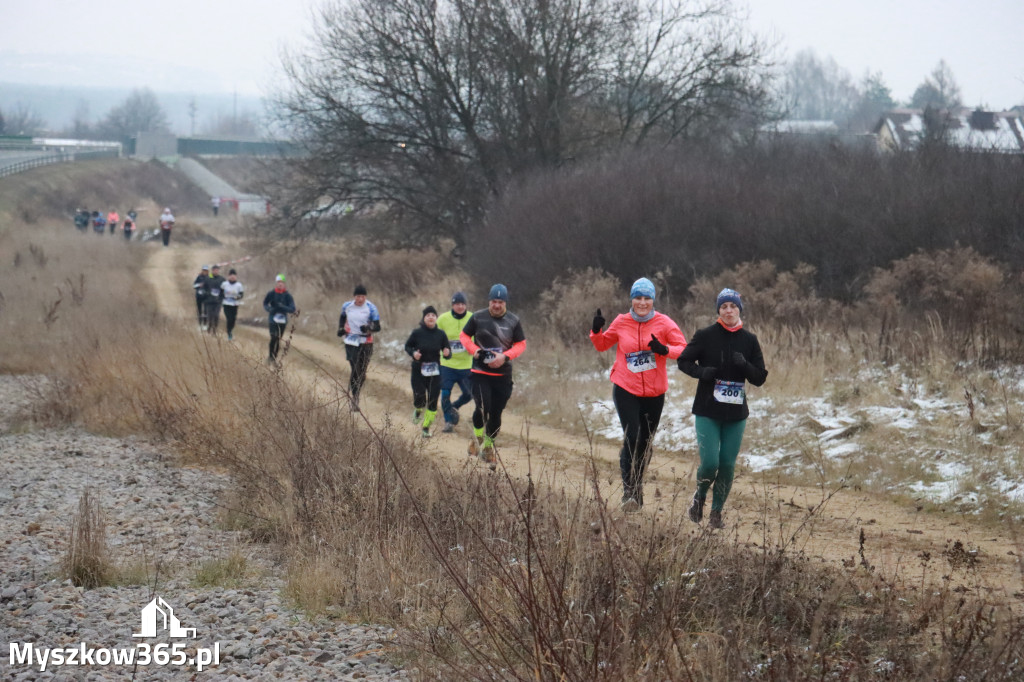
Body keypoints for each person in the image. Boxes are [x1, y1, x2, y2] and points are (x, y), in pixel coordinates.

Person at [589, 277, 687, 512]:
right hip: (626, 388)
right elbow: (602, 344)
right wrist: (596, 330)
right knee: (632, 436)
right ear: (631, 299)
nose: (642, 302)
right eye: (638, 298)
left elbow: (683, 348)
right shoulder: (622, 322)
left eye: (647, 298)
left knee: (645, 441)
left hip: (654, 392)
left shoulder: (664, 323)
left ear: (653, 300)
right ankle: (628, 492)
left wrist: (665, 349)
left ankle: (638, 486)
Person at [677, 288, 768, 529]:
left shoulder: (750, 340)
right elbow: (683, 361)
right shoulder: (706, 335)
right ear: (718, 310)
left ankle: (716, 513)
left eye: (733, 306)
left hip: (735, 415)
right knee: (710, 463)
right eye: (724, 306)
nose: (729, 310)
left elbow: (759, 378)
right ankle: (699, 498)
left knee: (727, 465)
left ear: (740, 309)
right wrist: (701, 372)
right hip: (708, 410)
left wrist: (745, 365)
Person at [458, 283, 526, 469]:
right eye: (493, 301)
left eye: (500, 302)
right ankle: (478, 437)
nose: (496, 305)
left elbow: (521, 344)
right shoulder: (477, 317)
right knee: (482, 406)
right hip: (480, 372)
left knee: (495, 413)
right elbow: (464, 336)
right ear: (489, 301)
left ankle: (487, 447)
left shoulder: (513, 320)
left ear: (505, 303)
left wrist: (506, 356)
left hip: (502, 374)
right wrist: (476, 351)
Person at [404, 306, 453, 437]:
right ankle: (418, 409)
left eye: (433, 315)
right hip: (418, 370)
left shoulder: (441, 334)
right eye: (428, 315)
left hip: (435, 372)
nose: (431, 317)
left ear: (436, 318)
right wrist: (414, 353)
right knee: (420, 397)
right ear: (424, 318)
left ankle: (425, 428)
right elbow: (407, 346)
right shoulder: (417, 333)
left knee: (433, 400)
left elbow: (447, 350)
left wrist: (447, 353)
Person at [337, 284, 381, 411]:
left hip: (366, 342)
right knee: (355, 368)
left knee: (362, 373)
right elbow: (342, 318)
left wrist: (368, 328)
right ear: (354, 296)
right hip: (351, 341)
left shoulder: (371, 308)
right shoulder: (347, 306)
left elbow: (377, 326)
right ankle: (354, 398)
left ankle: (356, 391)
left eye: (362, 296)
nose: (360, 299)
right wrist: (341, 329)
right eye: (357, 296)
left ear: (365, 297)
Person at [437, 291, 474, 433]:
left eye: (463, 304)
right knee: (445, 392)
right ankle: (448, 422)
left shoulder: (473, 318)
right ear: (452, 305)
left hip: (466, 365)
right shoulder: (443, 319)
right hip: (447, 364)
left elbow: (478, 336)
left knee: (469, 394)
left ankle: (454, 407)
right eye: (457, 304)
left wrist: (475, 350)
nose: (460, 307)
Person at [263, 274, 296, 364]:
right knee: (273, 336)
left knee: (278, 338)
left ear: (284, 284)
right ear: (276, 283)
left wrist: (283, 307)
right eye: (278, 282)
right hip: (272, 318)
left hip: (282, 319)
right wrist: (269, 309)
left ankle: (274, 358)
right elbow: (265, 303)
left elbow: (292, 309)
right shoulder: (271, 293)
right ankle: (270, 356)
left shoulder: (288, 296)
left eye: (282, 282)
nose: (280, 284)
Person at [221, 269, 245, 340]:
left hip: (234, 304)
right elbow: (220, 293)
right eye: (231, 275)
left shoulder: (239, 285)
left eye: (233, 275)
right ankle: (229, 333)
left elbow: (241, 295)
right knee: (229, 318)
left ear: (236, 276)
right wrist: (223, 296)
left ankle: (230, 329)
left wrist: (237, 297)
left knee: (233, 319)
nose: (232, 277)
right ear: (228, 276)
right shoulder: (224, 284)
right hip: (226, 304)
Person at [203, 264, 226, 335]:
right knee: (210, 315)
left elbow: (224, 290)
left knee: (216, 315)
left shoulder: (222, 279)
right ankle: (209, 327)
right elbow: (204, 288)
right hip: (209, 300)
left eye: (217, 270)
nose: (216, 271)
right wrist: (207, 294)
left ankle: (215, 329)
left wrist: (222, 297)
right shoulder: (207, 278)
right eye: (214, 270)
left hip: (218, 301)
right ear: (212, 271)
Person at [192, 265, 210, 330]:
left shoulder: (209, 277)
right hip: (199, 296)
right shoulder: (199, 277)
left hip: (206, 296)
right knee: (199, 310)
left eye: (206, 270)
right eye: (204, 270)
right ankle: (200, 324)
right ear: (202, 270)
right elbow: (194, 285)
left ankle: (205, 324)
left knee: (205, 310)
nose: (205, 272)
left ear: (208, 271)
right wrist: (199, 285)